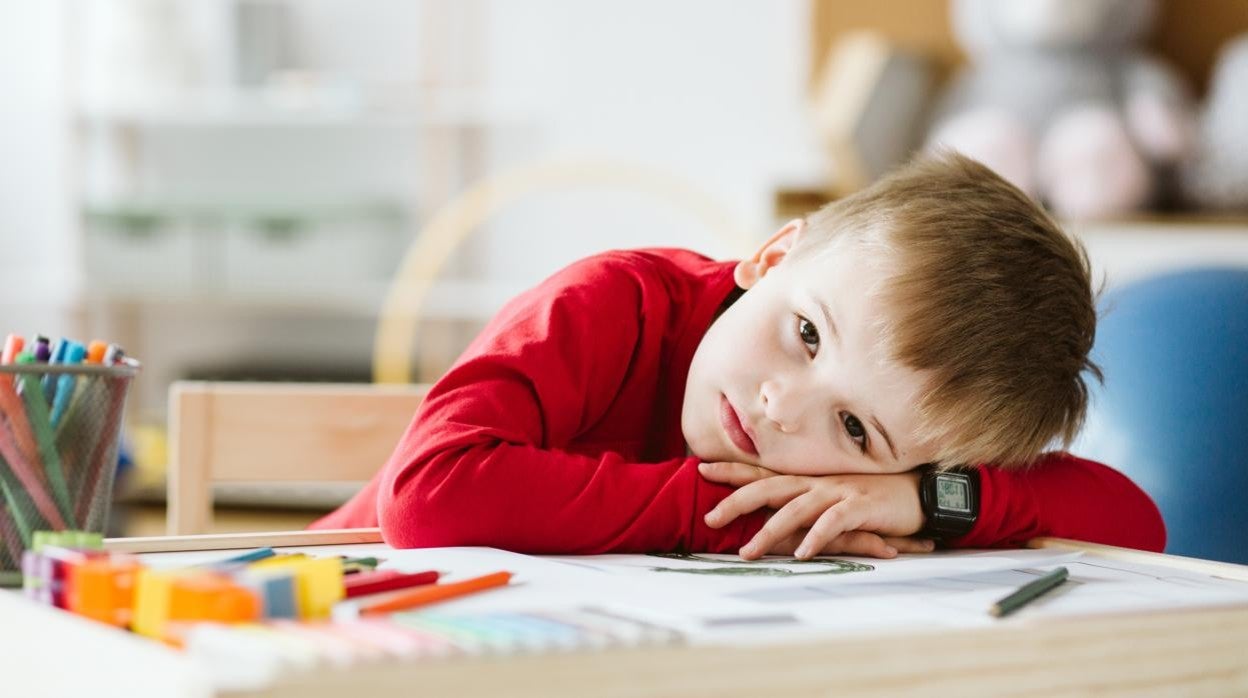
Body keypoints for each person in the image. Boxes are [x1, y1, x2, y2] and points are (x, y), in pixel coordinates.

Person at [311, 152, 1166, 558]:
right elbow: (429, 497)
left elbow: (1135, 519)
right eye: (806, 335)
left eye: (856, 430)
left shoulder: (903, 479)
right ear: (774, 255)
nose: (783, 409)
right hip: (309, 616)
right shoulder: (613, 302)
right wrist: (739, 511)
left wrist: (920, 500)